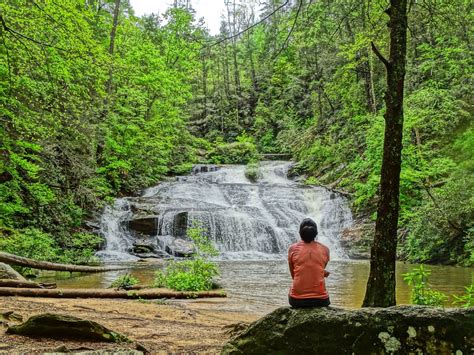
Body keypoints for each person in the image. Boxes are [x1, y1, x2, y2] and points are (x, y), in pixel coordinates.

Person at [288, 218, 330, 308]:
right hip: (321, 300)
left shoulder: (292, 249)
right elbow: (320, 268)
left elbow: (294, 275)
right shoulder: (325, 249)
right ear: (316, 233)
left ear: (299, 233)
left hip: (297, 300)